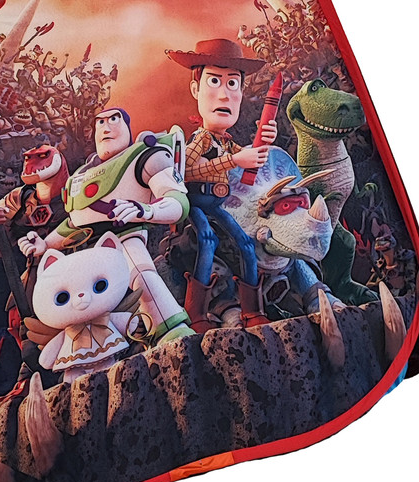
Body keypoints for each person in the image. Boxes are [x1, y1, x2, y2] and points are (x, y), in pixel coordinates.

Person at [18, 107, 194, 343]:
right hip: (87, 252)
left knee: (141, 273)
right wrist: (45, 244)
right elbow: (75, 222)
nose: (106, 127)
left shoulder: (145, 156)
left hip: (125, 237)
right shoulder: (81, 175)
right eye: (99, 122)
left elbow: (177, 201)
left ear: (128, 126)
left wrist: (146, 210)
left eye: (113, 119)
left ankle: (170, 330)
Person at [166, 38, 277, 329]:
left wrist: (264, 142)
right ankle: (196, 314)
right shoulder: (200, 139)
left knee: (246, 243)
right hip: (196, 203)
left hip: (217, 204)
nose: (224, 95)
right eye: (214, 81)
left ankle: (253, 310)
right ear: (195, 89)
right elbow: (186, 171)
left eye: (233, 84)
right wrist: (234, 160)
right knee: (207, 240)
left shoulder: (226, 142)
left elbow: (251, 159)